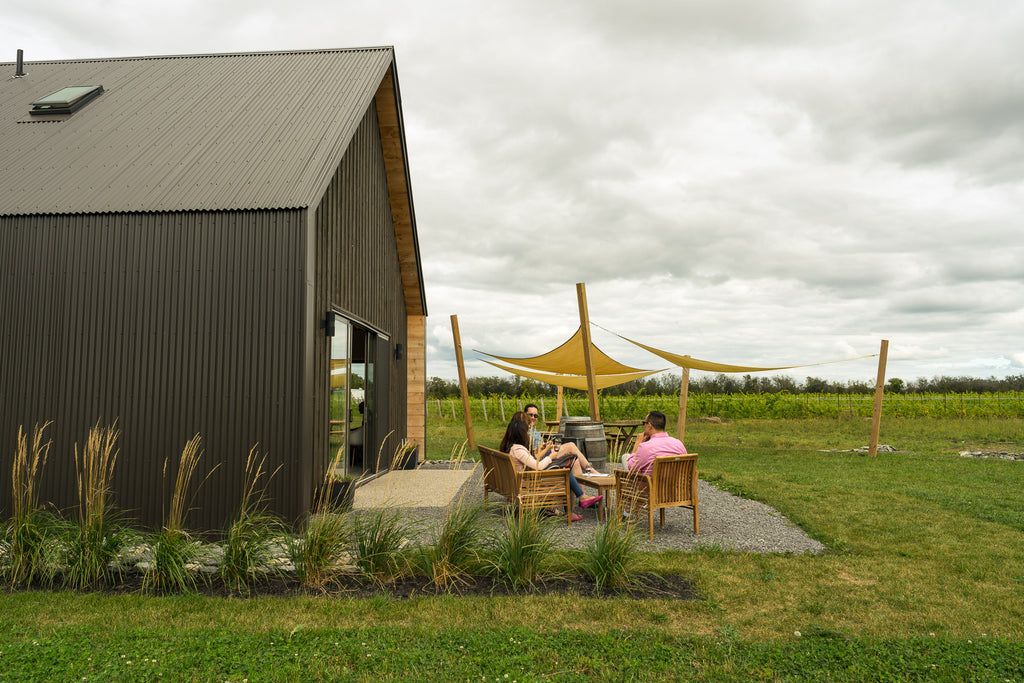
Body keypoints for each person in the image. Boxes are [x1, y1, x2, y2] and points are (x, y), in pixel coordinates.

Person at [499, 417, 603, 517]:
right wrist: (550, 456)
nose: (528, 434)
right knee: (565, 473)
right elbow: (538, 467)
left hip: (520, 481)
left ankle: (579, 500)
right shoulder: (518, 450)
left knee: (565, 469)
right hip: (527, 485)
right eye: (526, 432)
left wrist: (539, 450)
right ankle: (577, 504)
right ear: (521, 434)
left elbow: (530, 460)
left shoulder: (512, 448)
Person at [622, 410, 687, 476]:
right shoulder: (679, 444)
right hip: (674, 485)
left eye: (644, 423)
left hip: (649, 486)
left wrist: (637, 444)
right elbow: (686, 467)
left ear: (650, 425)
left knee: (625, 457)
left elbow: (631, 468)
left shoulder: (645, 447)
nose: (644, 426)